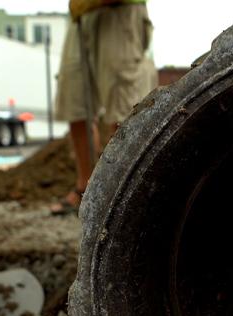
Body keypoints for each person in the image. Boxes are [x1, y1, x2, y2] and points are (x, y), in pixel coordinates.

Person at [51, 0, 158, 215]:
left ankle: (124, 193)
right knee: (75, 103)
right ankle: (85, 189)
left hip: (120, 12)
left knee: (124, 111)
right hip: (81, 14)